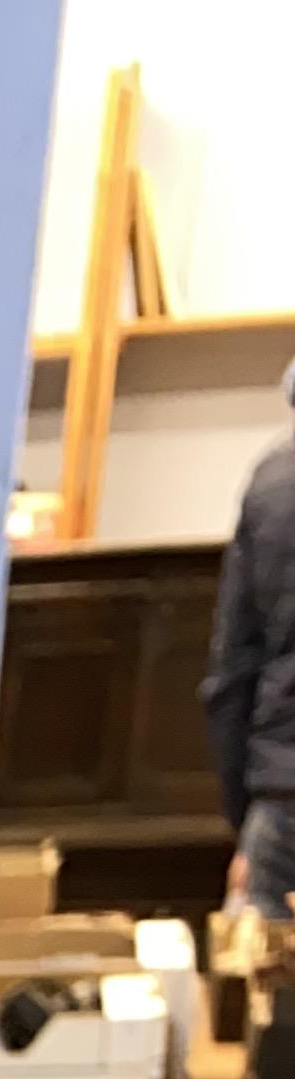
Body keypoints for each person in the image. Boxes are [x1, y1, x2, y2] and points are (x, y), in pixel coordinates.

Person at [206, 365, 295, 912]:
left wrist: (246, 816)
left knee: (270, 987)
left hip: (285, 795)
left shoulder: (272, 482)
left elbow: (231, 671)